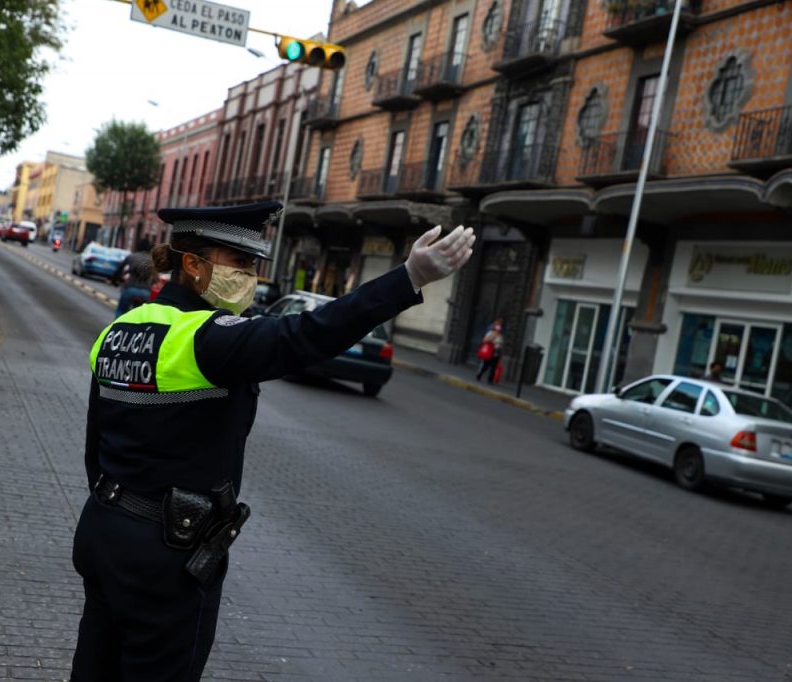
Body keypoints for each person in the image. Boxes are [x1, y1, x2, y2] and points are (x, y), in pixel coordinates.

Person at [70, 201, 475, 680]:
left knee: (94, 668)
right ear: (194, 265)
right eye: (239, 263)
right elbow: (308, 334)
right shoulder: (209, 338)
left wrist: (119, 509)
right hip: (166, 554)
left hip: (103, 530)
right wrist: (407, 277)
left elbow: (94, 447)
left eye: (253, 266)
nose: (250, 277)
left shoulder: (121, 329)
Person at [113, 238, 157, 317]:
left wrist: (115, 280)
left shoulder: (132, 257)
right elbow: (155, 278)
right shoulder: (152, 260)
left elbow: (118, 270)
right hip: (145, 292)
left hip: (131, 288)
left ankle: (117, 326)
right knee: (140, 315)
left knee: (121, 310)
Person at [476, 318, 504, 383]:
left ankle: (490, 380)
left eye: (499, 327)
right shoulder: (490, 333)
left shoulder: (500, 335)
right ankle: (479, 374)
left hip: (497, 352)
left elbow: (501, 345)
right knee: (486, 365)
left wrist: (501, 354)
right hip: (490, 351)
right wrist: (493, 337)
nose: (498, 329)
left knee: (493, 367)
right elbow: (484, 340)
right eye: (497, 327)